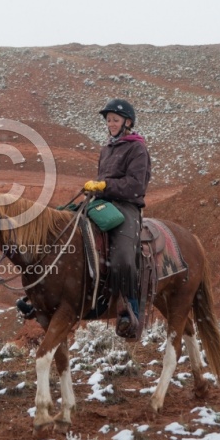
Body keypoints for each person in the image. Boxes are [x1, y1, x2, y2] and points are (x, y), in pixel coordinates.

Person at [84, 98, 151, 338]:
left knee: (123, 255)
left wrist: (105, 185)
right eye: (108, 120)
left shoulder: (137, 148)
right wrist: (94, 190)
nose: (111, 123)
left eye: (115, 119)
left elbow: (135, 185)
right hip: (102, 204)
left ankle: (130, 311)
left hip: (126, 206)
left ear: (127, 122)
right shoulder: (107, 148)